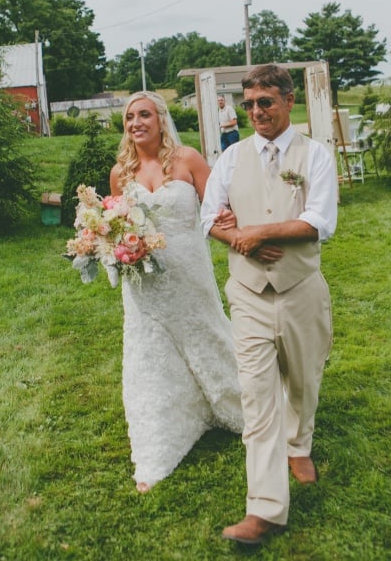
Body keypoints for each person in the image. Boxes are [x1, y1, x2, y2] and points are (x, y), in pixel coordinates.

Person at [201, 64, 337, 545]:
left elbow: (320, 220)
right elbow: (207, 218)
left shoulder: (314, 155)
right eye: (250, 104)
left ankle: (299, 445)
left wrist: (262, 231)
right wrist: (239, 238)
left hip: (300, 288)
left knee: (303, 378)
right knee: (259, 398)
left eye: (266, 103)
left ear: (288, 101)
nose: (256, 112)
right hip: (249, 294)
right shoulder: (231, 157)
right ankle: (264, 509)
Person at [109, 91, 243, 493]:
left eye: (144, 114)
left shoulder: (188, 160)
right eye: (130, 116)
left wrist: (232, 222)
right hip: (143, 285)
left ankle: (240, 407)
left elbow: (219, 207)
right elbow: (115, 225)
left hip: (189, 275)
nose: (136, 123)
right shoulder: (120, 172)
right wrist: (117, 246)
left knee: (207, 338)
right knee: (150, 358)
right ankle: (157, 448)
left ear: (161, 119)